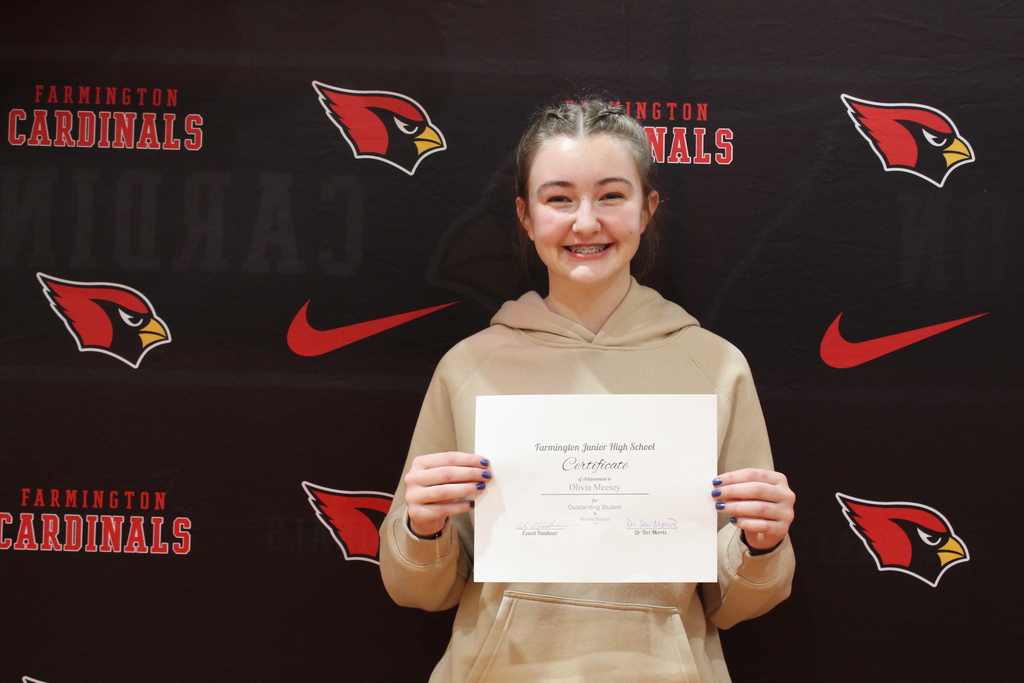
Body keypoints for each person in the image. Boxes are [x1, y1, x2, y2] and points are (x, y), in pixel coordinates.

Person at [379, 98, 795, 682]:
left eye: (611, 195)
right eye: (558, 198)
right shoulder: (468, 367)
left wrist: (763, 544)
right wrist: (421, 530)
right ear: (525, 217)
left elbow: (737, 602)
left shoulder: (715, 367)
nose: (585, 222)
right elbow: (419, 591)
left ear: (648, 209)